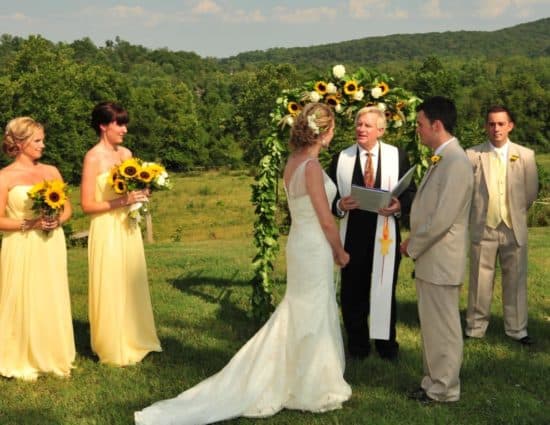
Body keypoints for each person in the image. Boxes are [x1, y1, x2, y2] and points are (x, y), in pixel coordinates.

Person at [135, 102, 352, 425]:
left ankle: (303, 374)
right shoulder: (310, 168)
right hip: (314, 244)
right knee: (314, 308)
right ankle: (312, 385)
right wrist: (340, 251)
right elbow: (325, 219)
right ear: (325, 132)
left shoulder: (293, 162)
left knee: (304, 307)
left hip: (299, 242)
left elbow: (309, 208)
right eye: (333, 129)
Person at [400, 96, 473, 403]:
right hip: (433, 258)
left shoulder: (456, 161)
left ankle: (445, 389)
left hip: (441, 259)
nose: (417, 130)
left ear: (437, 125)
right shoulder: (443, 157)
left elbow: (442, 218)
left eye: (420, 124)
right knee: (431, 326)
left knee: (443, 327)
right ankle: (433, 381)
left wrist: (412, 245)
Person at [328, 106, 415, 360]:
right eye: (358, 124)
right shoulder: (341, 158)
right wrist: (339, 205)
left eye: (367, 125)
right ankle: (357, 347)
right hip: (352, 236)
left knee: (384, 290)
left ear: (381, 129)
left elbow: (410, 192)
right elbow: (330, 194)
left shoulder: (397, 156)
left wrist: (400, 206)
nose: (361, 129)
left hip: (385, 236)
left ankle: (387, 347)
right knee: (352, 293)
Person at [81, 101, 161, 366]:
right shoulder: (93, 158)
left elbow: (135, 188)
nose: (125, 129)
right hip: (105, 227)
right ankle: (112, 344)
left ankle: (136, 337)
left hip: (128, 226)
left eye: (125, 123)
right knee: (111, 282)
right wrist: (121, 201)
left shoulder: (126, 154)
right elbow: (87, 205)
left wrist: (142, 193)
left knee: (131, 280)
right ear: (104, 125)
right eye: (120, 123)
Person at [0, 117, 75, 380]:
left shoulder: (51, 172)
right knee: (22, 296)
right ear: (19, 143)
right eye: (37, 140)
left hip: (51, 243)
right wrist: (30, 223)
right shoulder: (4, 177)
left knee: (50, 294)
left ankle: (53, 353)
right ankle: (20, 354)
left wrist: (57, 220)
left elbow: (67, 209)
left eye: (43, 140)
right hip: (20, 245)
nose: (43, 145)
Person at [464, 106, 538, 345]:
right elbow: (467, 191)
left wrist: (514, 213)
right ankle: (475, 327)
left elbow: (529, 192)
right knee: (479, 279)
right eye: (491, 123)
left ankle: (517, 329)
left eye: (501, 123)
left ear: (510, 126)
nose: (496, 128)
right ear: (486, 126)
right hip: (483, 226)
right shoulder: (472, 155)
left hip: (512, 226)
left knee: (515, 279)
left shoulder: (525, 155)